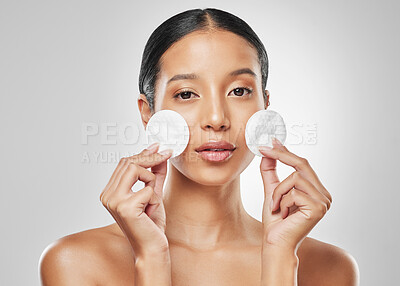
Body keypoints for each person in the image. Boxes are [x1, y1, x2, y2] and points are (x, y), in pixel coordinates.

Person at [39, 8, 359, 285]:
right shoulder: (75, 262)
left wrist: (279, 259)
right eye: (187, 94)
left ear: (265, 107)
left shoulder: (329, 268)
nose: (217, 118)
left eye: (239, 91)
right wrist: (151, 258)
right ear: (148, 113)